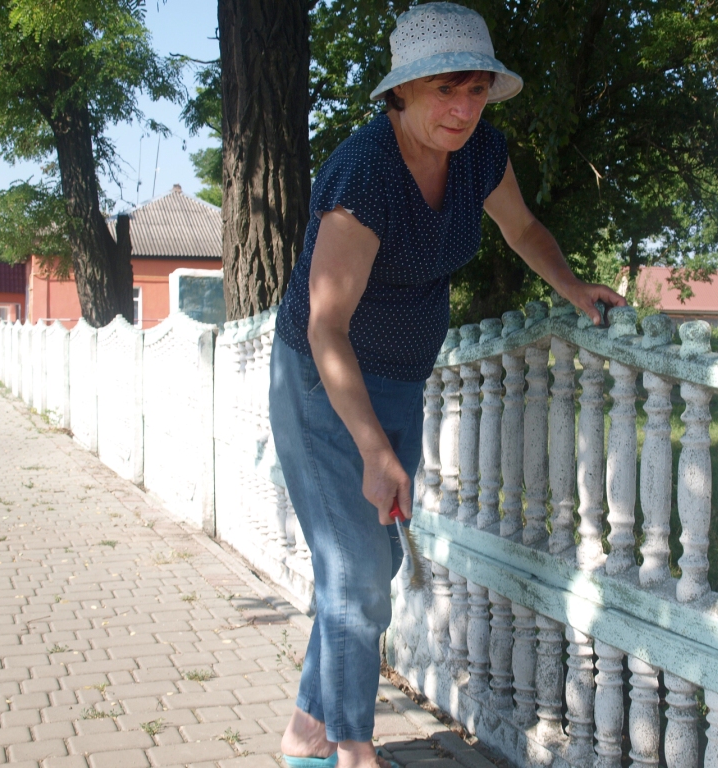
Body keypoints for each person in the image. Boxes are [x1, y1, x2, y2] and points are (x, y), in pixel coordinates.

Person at [269, 4, 626, 767]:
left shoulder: (480, 153)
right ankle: (353, 751)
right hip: (321, 381)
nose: (463, 108)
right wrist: (373, 449)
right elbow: (327, 328)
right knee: (357, 575)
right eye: (445, 89)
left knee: (375, 565)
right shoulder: (366, 175)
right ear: (402, 91)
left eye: (476, 89)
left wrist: (571, 286)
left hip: (401, 380)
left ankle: (307, 729)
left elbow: (521, 229)